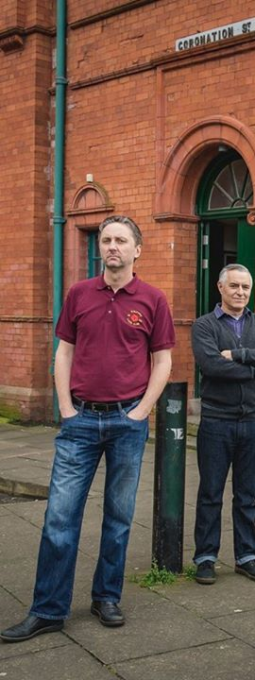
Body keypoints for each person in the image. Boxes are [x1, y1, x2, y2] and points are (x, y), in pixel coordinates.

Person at [1, 215, 174, 642]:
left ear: (138, 249)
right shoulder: (79, 294)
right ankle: (48, 609)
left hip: (126, 422)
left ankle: (106, 597)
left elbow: (163, 361)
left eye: (121, 240)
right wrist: (65, 407)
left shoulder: (152, 299)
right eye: (107, 239)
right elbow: (64, 352)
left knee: (118, 517)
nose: (112, 246)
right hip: (79, 420)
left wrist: (140, 412)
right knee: (60, 517)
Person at [191, 264, 255, 585]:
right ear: (221, 287)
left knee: (247, 495)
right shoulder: (204, 326)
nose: (241, 292)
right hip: (217, 422)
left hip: (254, 422)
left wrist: (238, 354)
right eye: (234, 286)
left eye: (245, 287)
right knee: (211, 493)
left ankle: (247, 557)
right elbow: (211, 366)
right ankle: (205, 557)